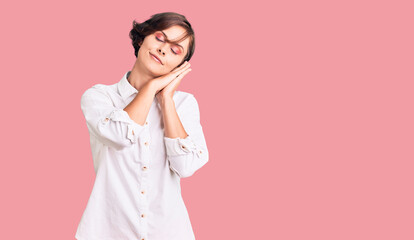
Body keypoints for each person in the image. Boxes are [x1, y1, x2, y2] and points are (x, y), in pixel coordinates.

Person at [75, 12, 209, 240]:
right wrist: (151, 87)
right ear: (141, 39)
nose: (164, 49)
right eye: (159, 38)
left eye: (176, 50)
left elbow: (186, 166)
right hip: (108, 232)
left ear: (180, 65)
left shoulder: (185, 104)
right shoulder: (99, 96)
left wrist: (166, 100)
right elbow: (119, 135)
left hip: (170, 232)